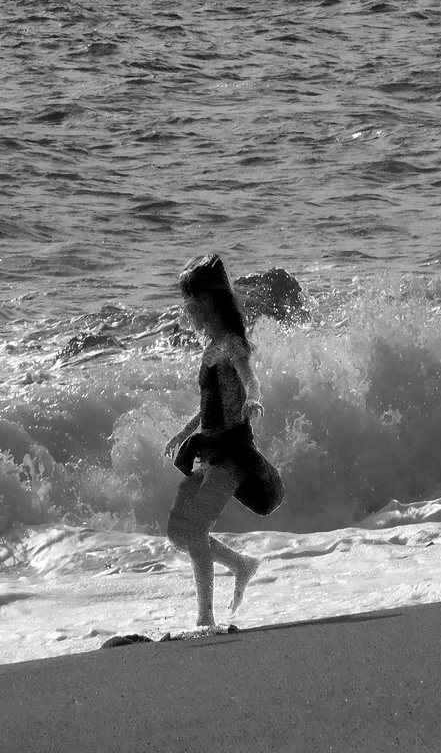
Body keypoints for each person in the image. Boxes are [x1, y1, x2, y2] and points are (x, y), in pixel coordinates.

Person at [162, 254, 280, 629]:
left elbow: (249, 379)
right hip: (209, 447)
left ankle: (205, 619)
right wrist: (185, 432)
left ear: (210, 301)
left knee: (194, 530)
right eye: (186, 299)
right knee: (178, 531)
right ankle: (241, 565)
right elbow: (210, 404)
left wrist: (254, 398)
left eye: (192, 299)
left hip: (232, 452)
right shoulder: (209, 347)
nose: (187, 307)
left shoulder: (230, 344)